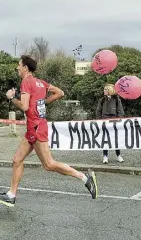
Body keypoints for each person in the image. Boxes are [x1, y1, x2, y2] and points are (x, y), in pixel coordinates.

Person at [0, 55, 98, 207]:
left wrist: (11, 98)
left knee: (49, 164)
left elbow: (24, 107)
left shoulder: (26, 81)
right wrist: (42, 103)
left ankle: (85, 178)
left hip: (37, 128)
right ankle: (11, 195)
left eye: (19, 65)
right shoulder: (41, 82)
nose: (17, 68)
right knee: (17, 160)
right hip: (34, 127)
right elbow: (60, 93)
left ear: (25, 67)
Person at [96, 84, 124, 164]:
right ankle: (105, 156)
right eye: (104, 89)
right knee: (105, 139)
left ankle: (118, 155)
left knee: (115, 139)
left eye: (105, 89)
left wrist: (119, 120)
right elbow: (98, 111)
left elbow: (120, 110)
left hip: (114, 120)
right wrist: (99, 121)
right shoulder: (102, 100)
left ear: (110, 90)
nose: (104, 91)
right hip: (105, 120)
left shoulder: (116, 99)